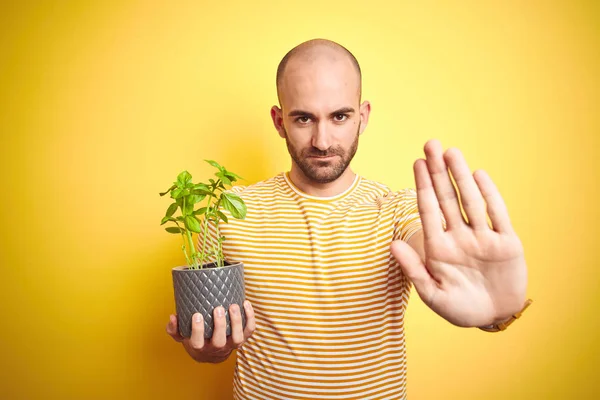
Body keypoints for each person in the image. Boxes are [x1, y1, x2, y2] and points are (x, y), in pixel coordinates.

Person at [166, 38, 531, 399]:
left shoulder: (398, 210)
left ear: (364, 116)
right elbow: (214, 340)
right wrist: (208, 349)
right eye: (304, 118)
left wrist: (495, 312)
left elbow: (432, 249)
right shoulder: (227, 211)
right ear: (279, 121)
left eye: (339, 116)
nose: (322, 141)